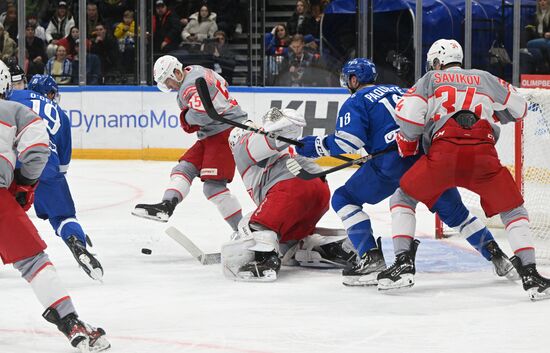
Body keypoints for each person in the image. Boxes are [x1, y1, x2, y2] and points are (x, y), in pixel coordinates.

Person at [296, 58, 516, 287]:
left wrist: (314, 145)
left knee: (344, 198)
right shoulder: (402, 90)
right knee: (457, 214)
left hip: (389, 165)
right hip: (425, 160)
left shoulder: (357, 100)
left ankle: (371, 257)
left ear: (353, 79)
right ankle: (499, 258)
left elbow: (347, 142)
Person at [378, 39, 550, 300]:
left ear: (437, 62)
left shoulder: (430, 79)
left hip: (443, 155)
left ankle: (403, 264)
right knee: (513, 209)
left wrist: (409, 141)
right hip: (483, 155)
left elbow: (411, 120)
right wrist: (494, 114)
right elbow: (520, 109)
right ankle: (530, 274)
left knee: (403, 197)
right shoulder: (484, 77)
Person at [0, 62, 110, 352]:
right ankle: (69, 320)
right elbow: (41, 153)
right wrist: (23, 185)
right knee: (34, 260)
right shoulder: (18, 109)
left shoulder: (19, 100)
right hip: (23, 181)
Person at [222, 107, 356, 281]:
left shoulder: (243, 145)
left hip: (290, 189)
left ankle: (264, 260)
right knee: (286, 240)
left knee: (253, 225)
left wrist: (284, 122)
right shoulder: (278, 149)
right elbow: (275, 141)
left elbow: (271, 139)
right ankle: (314, 246)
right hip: (319, 190)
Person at [132, 56, 246, 232]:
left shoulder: (188, 88)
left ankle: (243, 231)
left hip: (225, 133)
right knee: (183, 168)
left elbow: (201, 115)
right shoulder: (195, 69)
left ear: (176, 73)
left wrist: (184, 118)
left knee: (213, 187)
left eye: (168, 81)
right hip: (212, 133)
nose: (169, 86)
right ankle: (166, 206)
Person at [8, 74, 104, 281]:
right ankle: (75, 239)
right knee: (63, 216)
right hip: (46, 162)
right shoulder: (60, 114)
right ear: (51, 93)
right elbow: (63, 166)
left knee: (3, 211)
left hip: (9, 159)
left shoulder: (15, 94)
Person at [525, 0, 550, 72]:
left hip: (547, 39)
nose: (542, 2)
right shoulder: (535, 16)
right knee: (530, 43)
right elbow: (529, 28)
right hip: (538, 38)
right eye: (540, 0)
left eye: (544, 0)